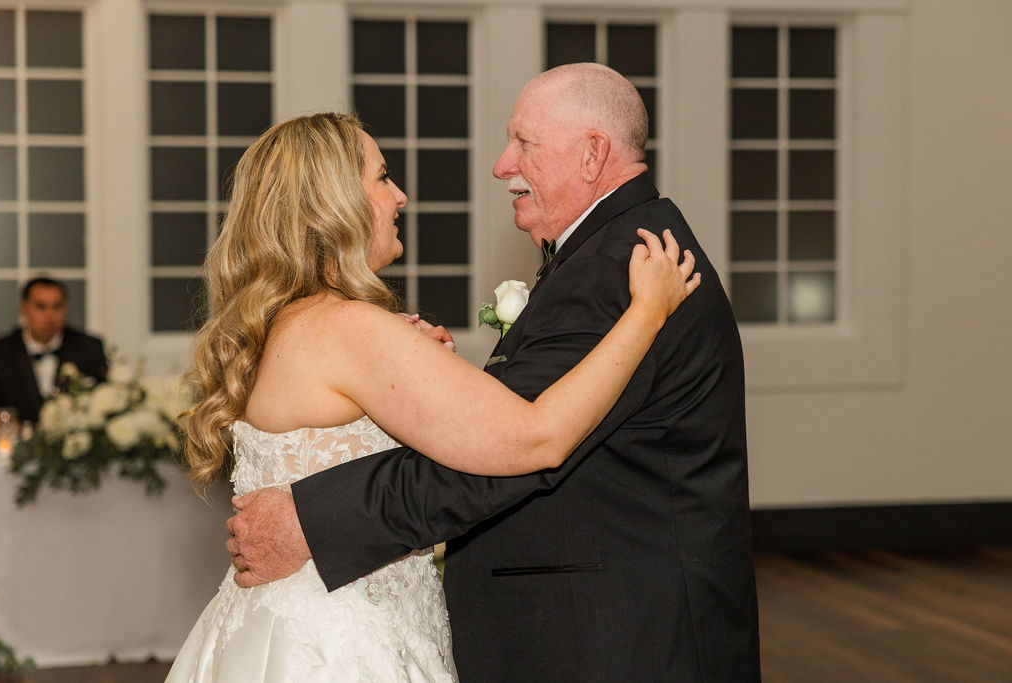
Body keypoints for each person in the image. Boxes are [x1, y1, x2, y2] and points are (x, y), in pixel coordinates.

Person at [228, 63, 760, 681]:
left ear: (592, 154)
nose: (501, 164)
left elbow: (519, 449)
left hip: (622, 638)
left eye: (524, 143)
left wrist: (315, 520)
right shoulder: (612, 256)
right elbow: (504, 431)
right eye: (383, 178)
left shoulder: (621, 265)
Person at [0, 277, 107, 425]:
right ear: (24, 309)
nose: (50, 315)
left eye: (57, 306)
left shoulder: (88, 349)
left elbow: (103, 401)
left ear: (66, 309)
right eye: (41, 307)